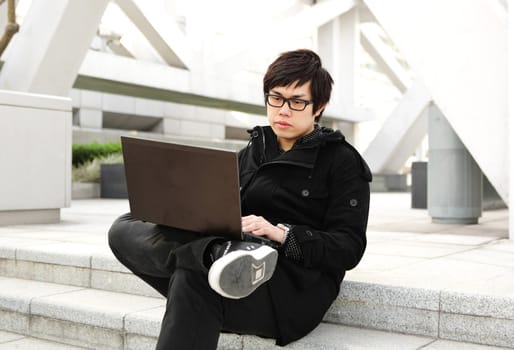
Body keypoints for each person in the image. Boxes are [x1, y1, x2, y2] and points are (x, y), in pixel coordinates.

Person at [108, 48, 372, 349]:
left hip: (289, 289)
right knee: (124, 226)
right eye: (276, 98)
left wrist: (282, 234)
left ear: (319, 106)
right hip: (231, 258)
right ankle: (215, 253)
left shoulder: (342, 161)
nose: (283, 110)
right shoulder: (252, 151)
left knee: (192, 276)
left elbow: (349, 247)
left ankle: (215, 258)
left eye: (297, 101)